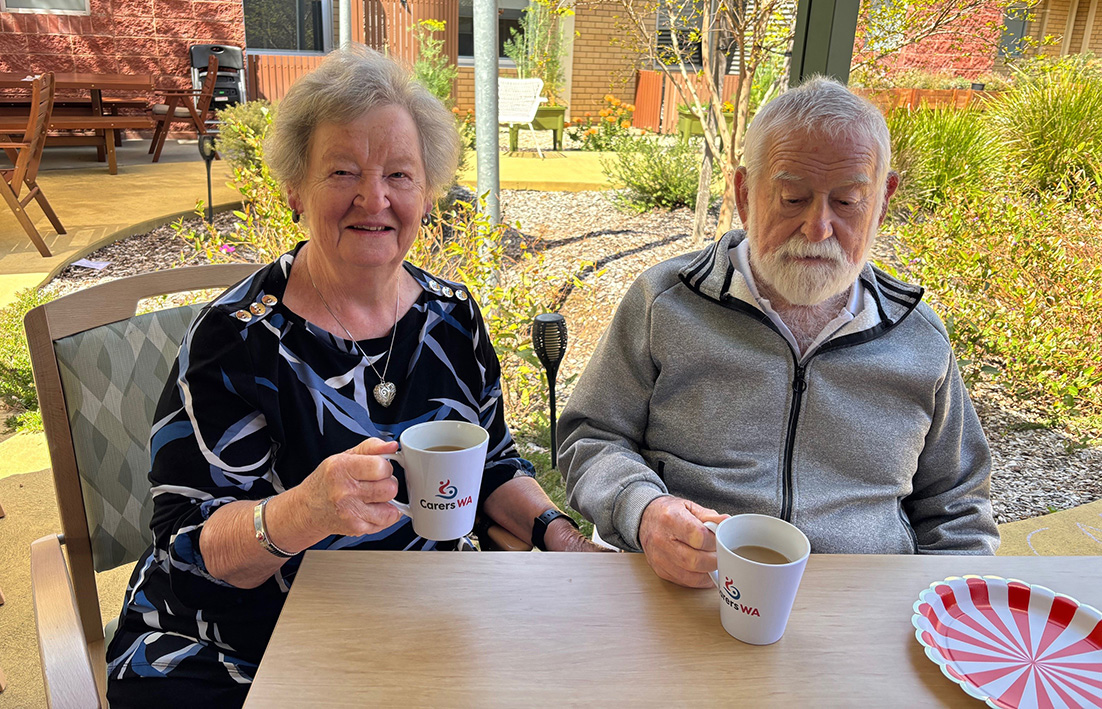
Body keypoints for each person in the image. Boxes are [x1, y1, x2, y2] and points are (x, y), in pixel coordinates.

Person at [106, 45, 598, 707]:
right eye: (342, 171)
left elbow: (493, 466)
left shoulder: (453, 318)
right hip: (236, 647)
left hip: (415, 626)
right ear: (295, 188)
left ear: (427, 192)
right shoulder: (235, 339)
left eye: (399, 173)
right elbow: (189, 544)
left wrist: (563, 539)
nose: (375, 197)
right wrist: (304, 511)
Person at [558, 77, 999, 589]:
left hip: (863, 602)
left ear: (882, 201)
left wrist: (954, 609)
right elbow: (591, 437)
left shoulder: (918, 338)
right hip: (688, 591)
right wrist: (643, 510)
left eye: (848, 201)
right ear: (745, 195)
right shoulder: (665, 303)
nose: (818, 227)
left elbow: (958, 505)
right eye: (792, 198)